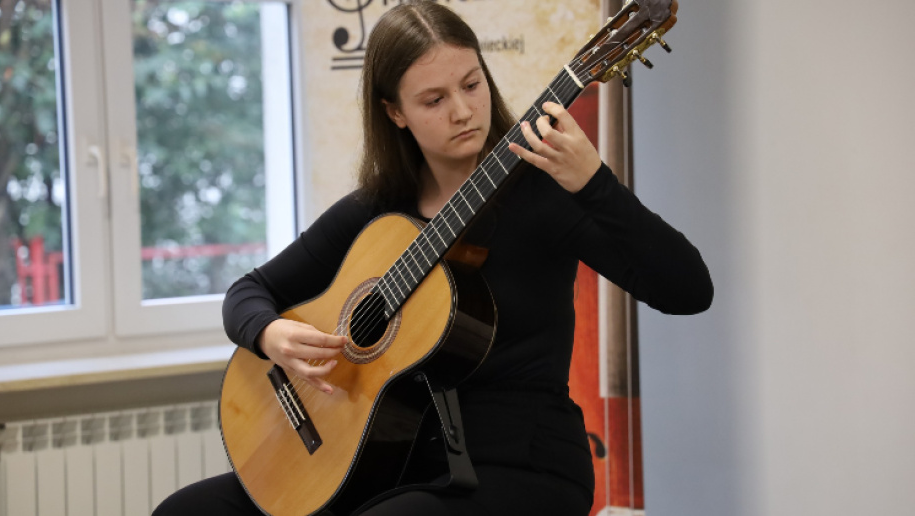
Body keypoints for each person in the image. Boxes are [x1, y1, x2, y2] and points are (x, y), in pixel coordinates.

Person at [154, 1, 712, 515]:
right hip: (388, 463)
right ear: (395, 112)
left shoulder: (544, 195)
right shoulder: (377, 211)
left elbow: (688, 290)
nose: (464, 111)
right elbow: (248, 293)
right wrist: (271, 334)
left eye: (472, 84)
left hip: (523, 466)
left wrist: (595, 183)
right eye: (434, 100)